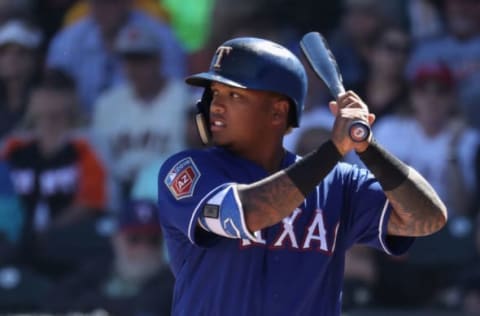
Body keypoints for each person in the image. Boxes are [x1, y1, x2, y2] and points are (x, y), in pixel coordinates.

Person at [156, 37, 447, 315]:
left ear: (278, 111)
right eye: (214, 93)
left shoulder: (340, 183)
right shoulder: (188, 169)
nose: (215, 105)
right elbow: (248, 213)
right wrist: (333, 150)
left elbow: (427, 218)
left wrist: (366, 146)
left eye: (234, 95)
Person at [91, 21, 192, 203]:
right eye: (129, 60)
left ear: (158, 60)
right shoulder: (107, 104)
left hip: (171, 195)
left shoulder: (184, 99)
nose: (134, 68)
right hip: (121, 196)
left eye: (142, 60)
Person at [42, 199, 174, 316]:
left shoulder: (172, 280)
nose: (143, 248)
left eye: (153, 240)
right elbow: (55, 298)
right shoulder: (100, 267)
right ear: (116, 239)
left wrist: (92, 304)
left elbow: (148, 307)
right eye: (133, 239)